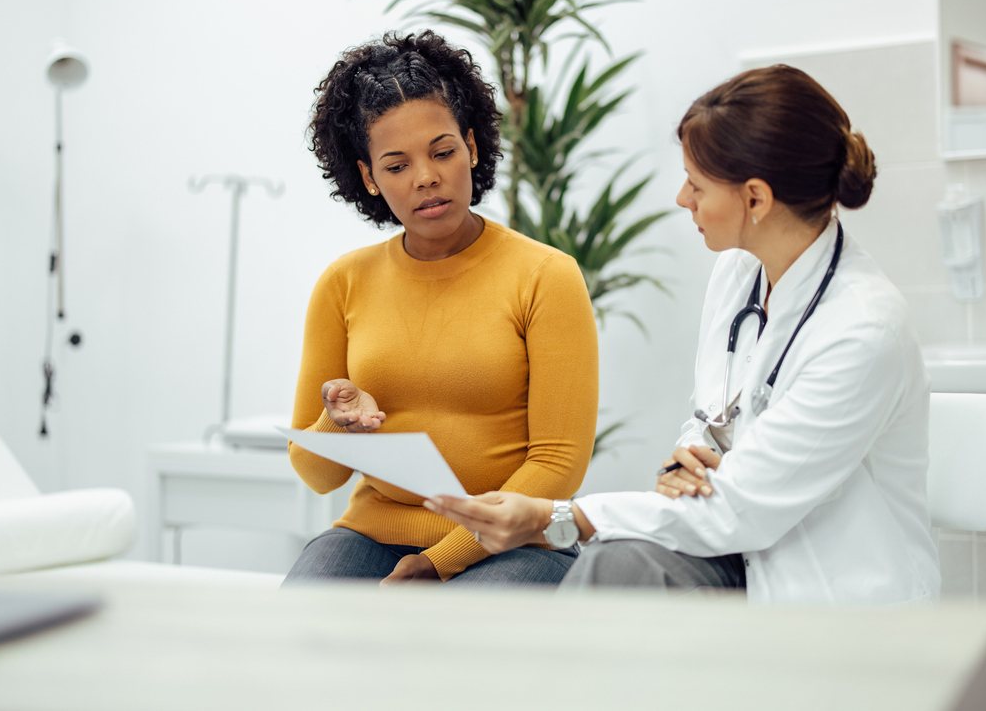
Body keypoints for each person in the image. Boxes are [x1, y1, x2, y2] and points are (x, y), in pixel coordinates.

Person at [427, 65, 941, 605]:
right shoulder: (739, 272)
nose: (681, 198)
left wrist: (556, 518)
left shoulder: (863, 330)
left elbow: (742, 507)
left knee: (615, 568)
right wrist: (687, 457)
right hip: (741, 553)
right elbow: (711, 419)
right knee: (618, 565)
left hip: (832, 590)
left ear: (757, 200)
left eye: (696, 184)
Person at [283, 31, 598, 588]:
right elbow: (316, 473)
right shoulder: (343, 283)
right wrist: (340, 423)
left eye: (443, 151)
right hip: (375, 533)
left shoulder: (546, 276)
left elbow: (557, 464)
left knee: (453, 644)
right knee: (306, 622)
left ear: (472, 148)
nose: (426, 176)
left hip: (515, 540)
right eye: (397, 164)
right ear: (368, 178)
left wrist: (439, 561)